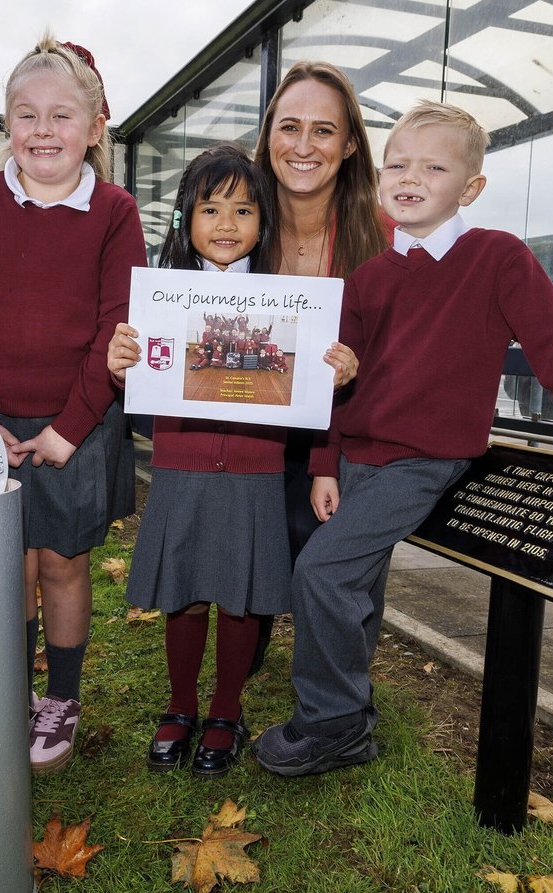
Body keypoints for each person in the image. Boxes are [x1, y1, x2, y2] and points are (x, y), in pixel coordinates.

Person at [252, 101, 553, 777]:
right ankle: (351, 706)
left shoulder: (497, 258)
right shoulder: (369, 275)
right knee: (357, 585)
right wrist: (325, 463)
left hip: (426, 460)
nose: (410, 177)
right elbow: (336, 379)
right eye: (398, 164)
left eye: (433, 167)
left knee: (320, 572)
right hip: (357, 457)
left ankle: (333, 723)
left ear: (470, 188)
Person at [106, 143, 358, 778]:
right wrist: (121, 363)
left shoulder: (291, 303)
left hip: (254, 471)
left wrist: (339, 374)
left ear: (263, 222)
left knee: (242, 594)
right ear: (185, 219)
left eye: (243, 210)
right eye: (210, 208)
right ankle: (181, 705)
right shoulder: (159, 298)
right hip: (181, 467)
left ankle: (225, 708)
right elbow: (139, 376)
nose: (225, 224)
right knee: (185, 595)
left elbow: (317, 394)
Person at [0, 35, 144, 774]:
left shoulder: (115, 211)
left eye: (61, 115)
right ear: (7, 125)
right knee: (8, 567)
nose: (43, 130)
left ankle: (62, 698)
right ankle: (12, 694)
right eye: (26, 115)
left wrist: (67, 429)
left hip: (78, 427)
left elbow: (119, 330)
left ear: (94, 127)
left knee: (60, 562)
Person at [249, 61, 391, 674]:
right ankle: (240, 665)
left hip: (348, 429)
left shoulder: (384, 232)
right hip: (251, 422)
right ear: (269, 136)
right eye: (290, 127)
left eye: (324, 131)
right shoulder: (234, 220)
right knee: (251, 551)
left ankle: (337, 683)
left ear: (350, 143)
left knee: (335, 568)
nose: (304, 147)